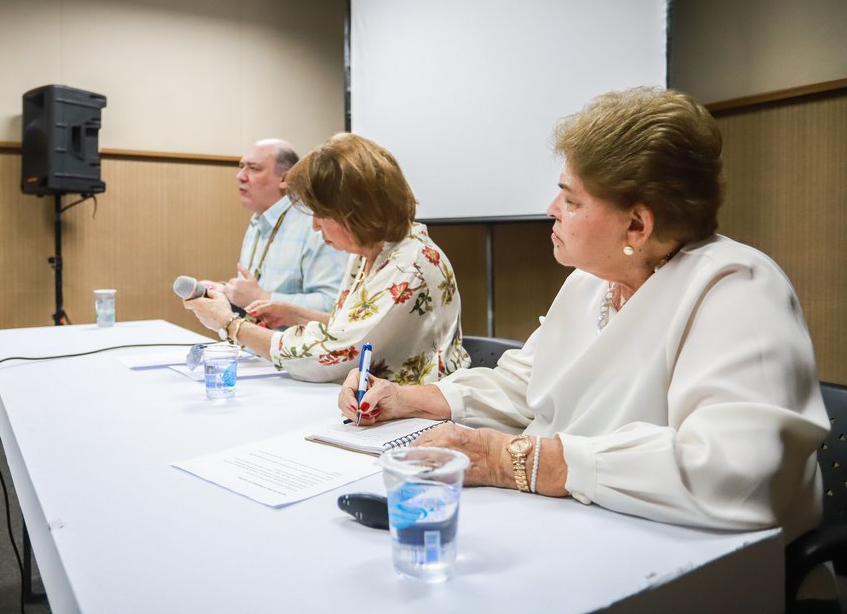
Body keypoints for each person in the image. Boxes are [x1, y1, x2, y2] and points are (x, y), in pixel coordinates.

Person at [338, 88, 830, 552]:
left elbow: (736, 472)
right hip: (583, 529)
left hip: (699, 565)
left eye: (571, 200)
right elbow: (530, 381)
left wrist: (508, 460)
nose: (551, 210)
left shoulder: (735, 288)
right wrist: (406, 399)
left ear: (637, 224)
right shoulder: (592, 280)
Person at [184, 132, 470, 383]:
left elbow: (327, 356)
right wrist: (294, 313)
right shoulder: (371, 253)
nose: (315, 225)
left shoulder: (410, 266)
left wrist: (230, 324)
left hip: (414, 422)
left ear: (357, 210)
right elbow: (356, 328)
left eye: (323, 214)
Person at [204, 138, 348, 314]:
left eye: (253, 168)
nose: (240, 176)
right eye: (241, 166)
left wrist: (263, 298)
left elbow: (333, 303)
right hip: (251, 337)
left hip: (295, 341)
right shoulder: (258, 220)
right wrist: (224, 291)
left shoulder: (316, 224)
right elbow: (251, 291)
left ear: (285, 178)